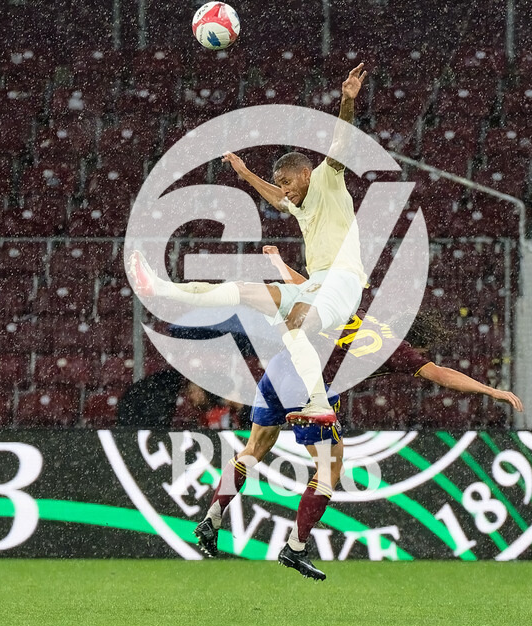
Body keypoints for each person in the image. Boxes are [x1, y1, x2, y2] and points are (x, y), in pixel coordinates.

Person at [192, 246, 523, 580]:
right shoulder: (400, 351)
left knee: (254, 449)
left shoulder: (358, 313)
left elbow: (307, 287)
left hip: (278, 368)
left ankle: (212, 519)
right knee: (330, 466)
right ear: (416, 344)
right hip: (307, 384)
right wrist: (490, 390)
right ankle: (295, 547)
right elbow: (440, 375)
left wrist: (278, 262)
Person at [129, 63, 369, 426]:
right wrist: (245, 174)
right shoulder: (297, 201)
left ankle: (319, 403)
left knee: (296, 321)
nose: (285, 189)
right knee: (243, 292)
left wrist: (347, 102)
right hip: (317, 284)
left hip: (344, 281)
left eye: (288, 181)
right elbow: (277, 200)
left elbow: (341, 141)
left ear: (305, 174)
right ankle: (160, 288)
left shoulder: (326, 179)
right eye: (281, 182)